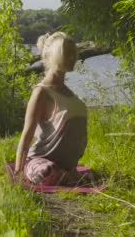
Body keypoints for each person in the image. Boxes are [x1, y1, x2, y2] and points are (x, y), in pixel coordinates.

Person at [14, 32, 88, 185]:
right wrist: (18, 172)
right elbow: (27, 135)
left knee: (80, 175)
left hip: (67, 165)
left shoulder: (70, 95)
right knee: (47, 172)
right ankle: (65, 176)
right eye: (66, 53)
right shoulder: (41, 92)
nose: (72, 58)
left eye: (73, 53)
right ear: (52, 56)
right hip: (41, 161)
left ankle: (68, 174)